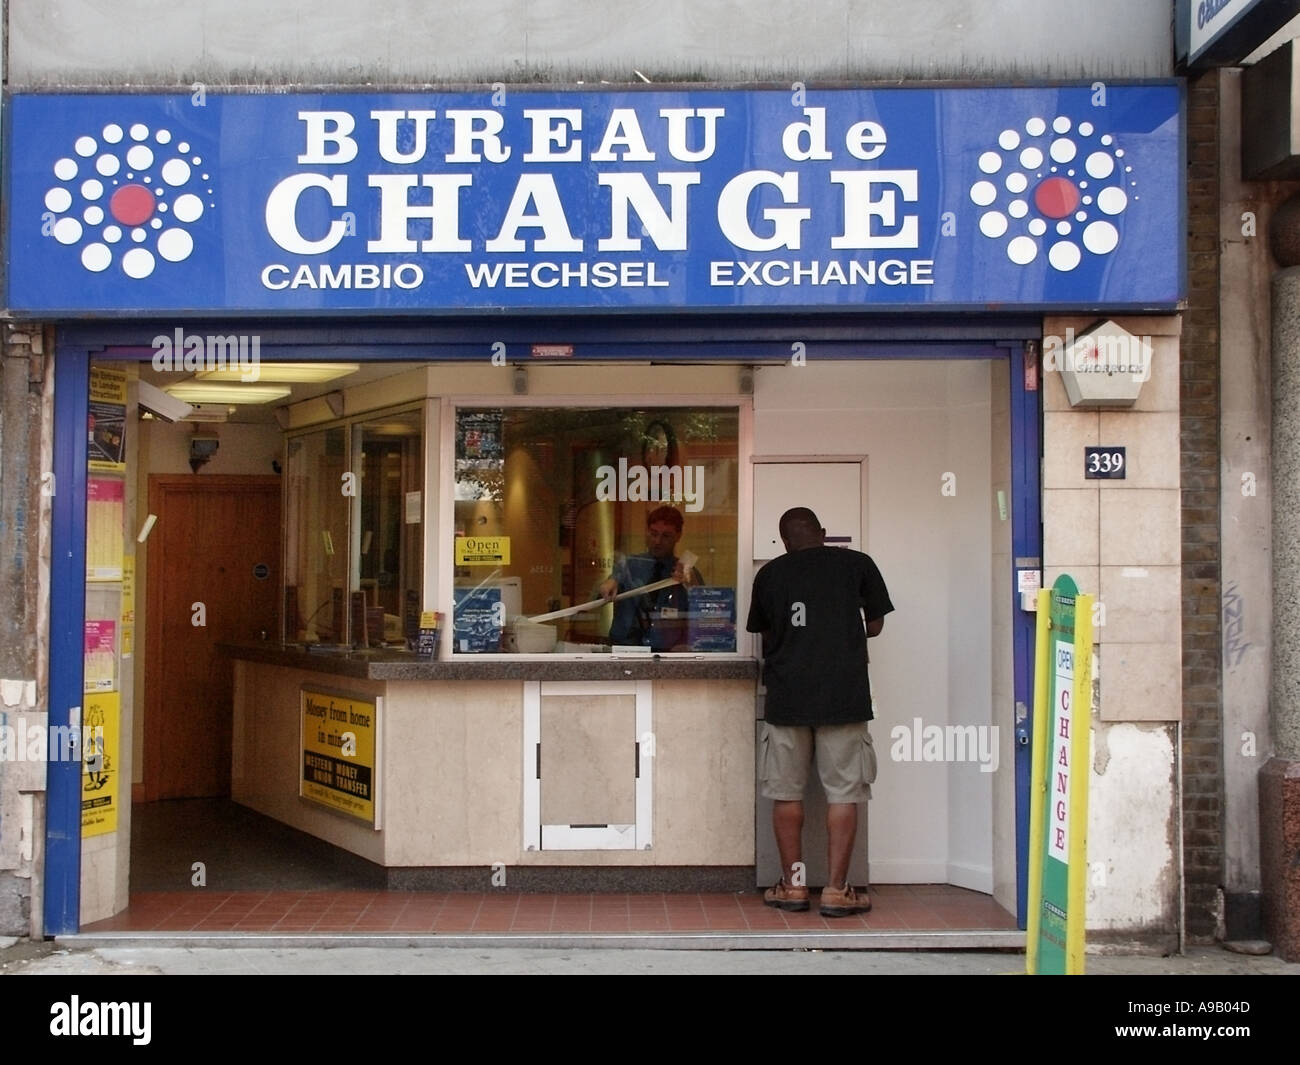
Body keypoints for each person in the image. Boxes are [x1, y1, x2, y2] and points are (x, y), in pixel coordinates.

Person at [746, 506, 893, 917]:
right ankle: (836, 890)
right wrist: (841, 629)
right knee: (844, 792)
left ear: (784, 541)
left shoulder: (770, 575)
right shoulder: (858, 564)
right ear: (823, 533)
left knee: (785, 793)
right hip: (843, 695)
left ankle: (793, 887)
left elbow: (766, 633)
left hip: (787, 696)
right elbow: (877, 625)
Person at [598, 505, 704, 652]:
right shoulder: (629, 565)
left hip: (668, 652)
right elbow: (604, 592)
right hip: (625, 648)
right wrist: (608, 584)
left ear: (678, 536)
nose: (658, 541)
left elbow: (704, 612)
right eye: (653, 534)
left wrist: (692, 585)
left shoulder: (687, 573)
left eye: (666, 536)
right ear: (647, 531)